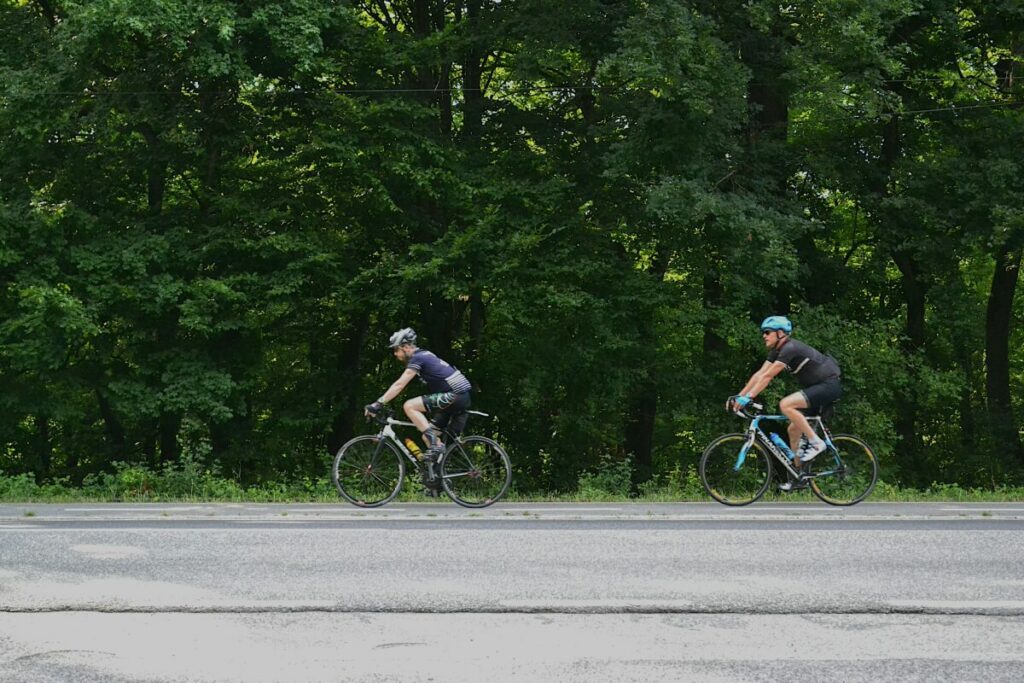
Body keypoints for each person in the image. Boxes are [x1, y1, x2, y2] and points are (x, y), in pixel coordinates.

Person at [727, 316, 842, 490]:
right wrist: (739, 396)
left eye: (767, 332)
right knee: (793, 429)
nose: (764, 336)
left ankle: (817, 443)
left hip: (829, 385)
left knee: (786, 404)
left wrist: (748, 398)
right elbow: (759, 374)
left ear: (780, 333)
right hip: (817, 388)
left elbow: (768, 376)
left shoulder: (790, 348)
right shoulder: (777, 351)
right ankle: (799, 476)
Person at [363, 327, 472, 462]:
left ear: (407, 347)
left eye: (396, 349)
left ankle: (435, 444)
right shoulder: (425, 354)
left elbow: (399, 385)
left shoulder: (417, 358)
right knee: (427, 436)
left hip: (455, 395)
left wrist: (378, 403)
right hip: (458, 397)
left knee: (409, 406)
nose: (395, 354)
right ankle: (438, 477)